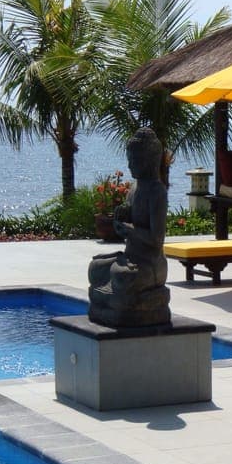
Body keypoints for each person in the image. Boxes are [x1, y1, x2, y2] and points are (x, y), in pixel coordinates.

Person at [88, 127, 170, 327]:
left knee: (122, 276)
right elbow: (126, 228)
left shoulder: (157, 192)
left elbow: (157, 240)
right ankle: (116, 301)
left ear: (149, 161)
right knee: (95, 268)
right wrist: (119, 224)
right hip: (130, 257)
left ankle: (122, 302)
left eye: (134, 160)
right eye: (129, 159)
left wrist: (130, 230)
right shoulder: (133, 189)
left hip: (150, 263)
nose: (130, 165)